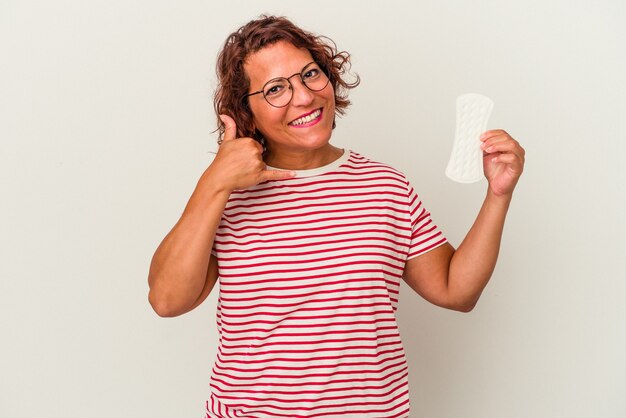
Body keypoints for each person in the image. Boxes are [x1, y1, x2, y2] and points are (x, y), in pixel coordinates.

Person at [147, 15, 525, 418]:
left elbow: (456, 290)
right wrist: (214, 183)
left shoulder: (386, 187)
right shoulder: (225, 198)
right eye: (275, 88)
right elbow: (167, 300)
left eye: (310, 74)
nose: (305, 97)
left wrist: (498, 194)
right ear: (245, 113)